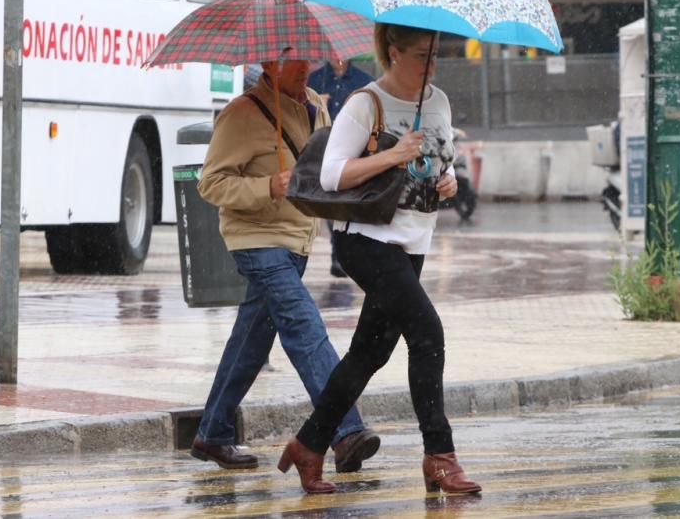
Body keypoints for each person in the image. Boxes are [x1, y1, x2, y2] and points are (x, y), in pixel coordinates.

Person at [276, 25, 481, 495]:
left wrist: (446, 182)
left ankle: (308, 444)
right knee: (427, 333)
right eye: (420, 56)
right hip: (365, 239)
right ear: (393, 52)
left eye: (435, 56)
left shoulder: (439, 102)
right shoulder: (365, 104)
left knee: (370, 352)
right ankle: (440, 457)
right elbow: (330, 177)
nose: (429, 66)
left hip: (413, 240)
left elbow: (437, 166)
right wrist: (392, 155)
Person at [191, 59, 380, 474]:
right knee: (304, 326)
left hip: (296, 240)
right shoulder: (241, 113)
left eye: (306, 57)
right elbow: (210, 182)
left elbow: (328, 166)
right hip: (255, 241)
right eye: (292, 58)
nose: (304, 67)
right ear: (269, 63)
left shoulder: (316, 105)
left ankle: (212, 432)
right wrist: (267, 186)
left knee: (251, 342)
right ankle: (344, 431)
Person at [307, 59, 374, 276]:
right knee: (329, 200)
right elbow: (302, 116)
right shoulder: (314, 80)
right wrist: (318, 108)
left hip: (352, 152)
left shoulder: (364, 82)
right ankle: (338, 252)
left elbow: (372, 118)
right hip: (322, 149)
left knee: (346, 201)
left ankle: (342, 253)